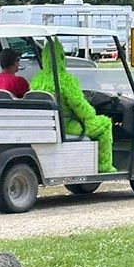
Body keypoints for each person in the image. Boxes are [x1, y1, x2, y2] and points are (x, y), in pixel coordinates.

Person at [30, 37, 116, 173]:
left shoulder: (37, 79)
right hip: (68, 126)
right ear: (61, 57)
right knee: (105, 124)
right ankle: (103, 166)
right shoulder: (66, 80)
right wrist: (92, 114)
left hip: (46, 125)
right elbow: (80, 107)